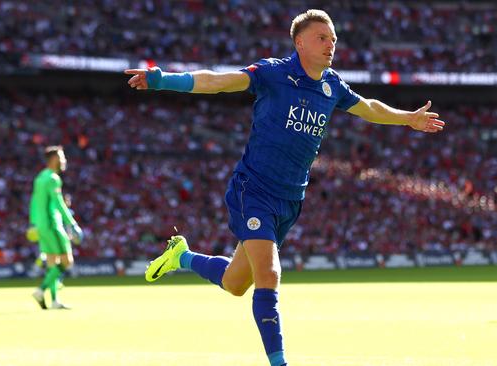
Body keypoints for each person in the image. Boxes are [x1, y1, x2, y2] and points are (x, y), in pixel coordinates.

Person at [125, 9, 445, 366]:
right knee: (270, 273)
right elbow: (217, 82)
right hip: (253, 189)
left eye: (334, 39)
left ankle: (180, 256)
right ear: (300, 42)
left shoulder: (332, 86)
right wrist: (161, 79)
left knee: (235, 283)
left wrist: (408, 118)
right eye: (322, 38)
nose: (331, 45)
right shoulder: (273, 74)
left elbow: (368, 107)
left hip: (290, 199)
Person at [29, 146, 83, 310]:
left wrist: (33, 223)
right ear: (54, 159)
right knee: (67, 261)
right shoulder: (53, 178)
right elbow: (59, 203)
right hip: (53, 224)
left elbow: (34, 201)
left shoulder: (40, 177)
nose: (64, 160)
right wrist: (72, 223)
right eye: (61, 157)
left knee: (53, 262)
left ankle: (54, 301)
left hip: (41, 226)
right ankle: (41, 290)